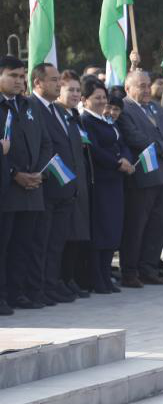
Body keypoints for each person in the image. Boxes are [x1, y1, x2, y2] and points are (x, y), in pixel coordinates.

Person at [117, 70, 163, 287]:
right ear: (128, 88)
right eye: (140, 85)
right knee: (136, 226)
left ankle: (149, 269)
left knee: (157, 226)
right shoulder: (124, 109)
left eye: (147, 85)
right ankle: (130, 271)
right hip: (142, 177)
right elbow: (134, 136)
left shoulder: (155, 106)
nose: (145, 89)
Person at [0, 56, 51, 311]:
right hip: (7, 189)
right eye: (13, 76)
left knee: (24, 245)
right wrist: (14, 174)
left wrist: (38, 172)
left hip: (31, 188)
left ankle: (17, 292)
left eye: (22, 76)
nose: (20, 81)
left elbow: (45, 142)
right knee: (4, 245)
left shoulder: (30, 105)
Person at [30, 63, 80, 305]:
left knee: (56, 242)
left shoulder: (59, 110)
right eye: (53, 80)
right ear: (38, 83)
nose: (58, 83)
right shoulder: (31, 107)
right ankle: (37, 287)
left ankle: (51, 284)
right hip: (45, 186)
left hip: (64, 188)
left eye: (58, 79)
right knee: (42, 242)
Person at [80, 76, 132, 295]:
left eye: (104, 97)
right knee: (100, 231)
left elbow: (122, 143)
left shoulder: (107, 120)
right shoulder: (85, 121)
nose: (102, 101)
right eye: (97, 97)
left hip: (115, 182)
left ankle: (106, 275)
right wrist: (117, 162)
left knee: (112, 230)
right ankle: (97, 278)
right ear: (84, 99)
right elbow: (94, 149)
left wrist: (127, 159)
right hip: (100, 182)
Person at [57, 71, 93, 297]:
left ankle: (70, 278)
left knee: (77, 235)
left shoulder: (74, 116)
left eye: (78, 90)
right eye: (70, 89)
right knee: (63, 236)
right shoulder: (57, 115)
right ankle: (60, 279)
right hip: (64, 184)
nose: (75, 94)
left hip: (81, 182)